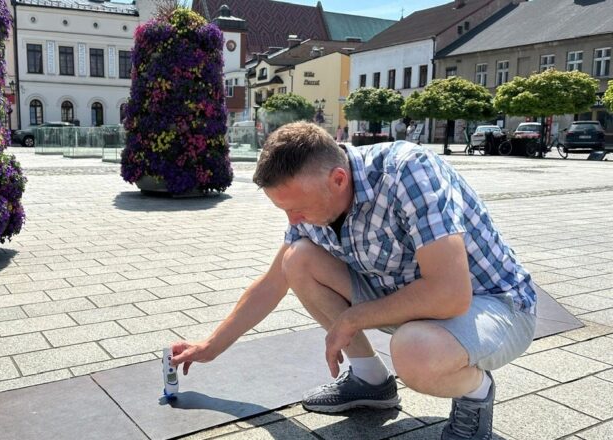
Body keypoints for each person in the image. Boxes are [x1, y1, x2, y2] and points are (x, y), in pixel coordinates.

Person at [171, 122, 537, 440]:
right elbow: (272, 283)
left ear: (338, 179)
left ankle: (476, 392)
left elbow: (450, 294)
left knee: (415, 352)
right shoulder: (312, 209)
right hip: (411, 298)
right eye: (284, 210)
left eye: (297, 208)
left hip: (494, 304)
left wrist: (352, 318)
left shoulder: (407, 172)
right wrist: (211, 346)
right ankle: (370, 381)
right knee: (296, 259)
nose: (294, 220)